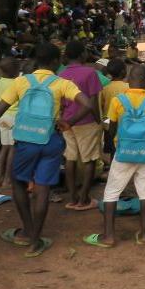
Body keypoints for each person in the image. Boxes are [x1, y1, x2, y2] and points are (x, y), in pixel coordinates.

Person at [0, 43, 92, 256]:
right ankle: (35, 242)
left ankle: (27, 230)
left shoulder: (21, 81)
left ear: (37, 61)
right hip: (50, 141)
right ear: (55, 62)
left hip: (25, 141)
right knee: (42, 189)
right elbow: (87, 104)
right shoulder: (62, 83)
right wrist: (68, 122)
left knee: (18, 183)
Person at [84, 65, 145, 247]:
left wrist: (114, 143)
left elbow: (111, 128)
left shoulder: (118, 100)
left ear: (128, 80)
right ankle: (144, 234)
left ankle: (108, 236)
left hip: (123, 151)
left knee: (112, 192)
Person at [59, 40, 104, 211]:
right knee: (89, 159)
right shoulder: (90, 73)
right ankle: (84, 198)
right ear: (81, 54)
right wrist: (99, 121)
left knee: (70, 158)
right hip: (87, 122)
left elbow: (61, 102)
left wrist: (64, 119)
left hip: (67, 122)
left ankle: (73, 198)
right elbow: (92, 102)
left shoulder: (61, 74)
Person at [0, 56, 20, 188]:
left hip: (2, 118)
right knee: (12, 148)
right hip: (14, 118)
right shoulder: (17, 83)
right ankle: (8, 179)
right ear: (15, 70)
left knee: (4, 147)